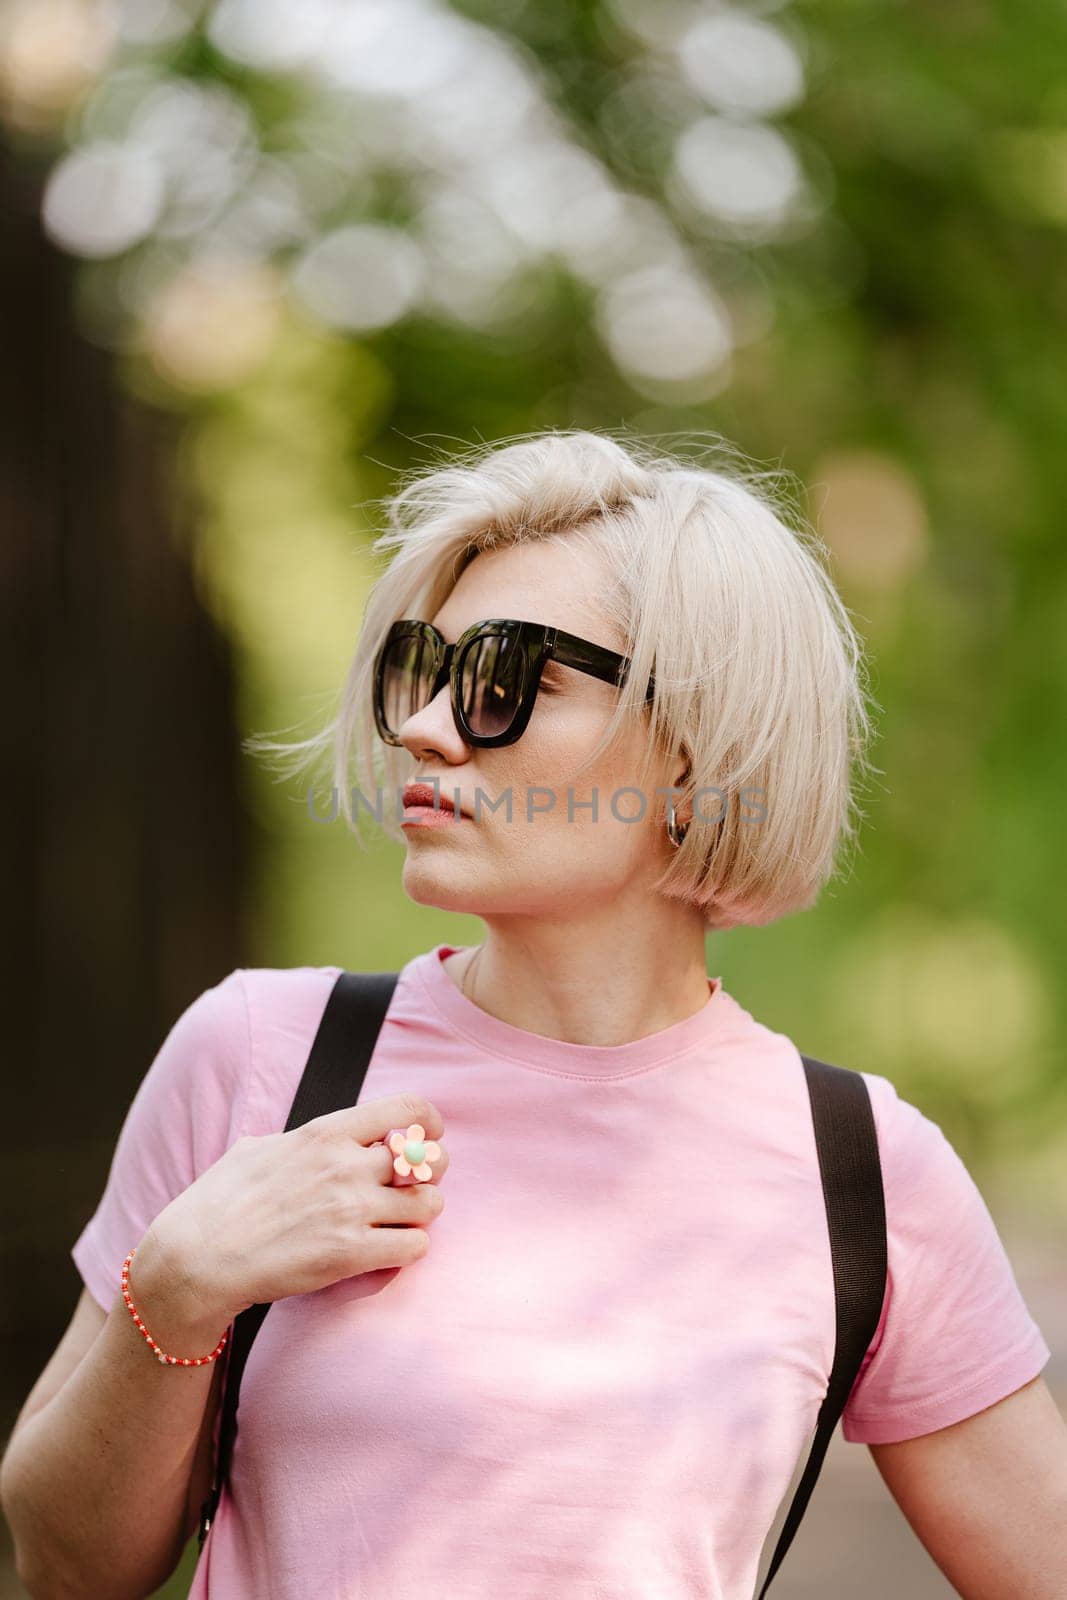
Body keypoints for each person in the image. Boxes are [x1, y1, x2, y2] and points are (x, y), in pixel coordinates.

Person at [2, 430, 1063, 1600]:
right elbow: (62, 1568)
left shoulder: (857, 1169)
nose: (426, 726)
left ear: (693, 747)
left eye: (509, 678)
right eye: (424, 667)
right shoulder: (261, 1058)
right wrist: (181, 1286)